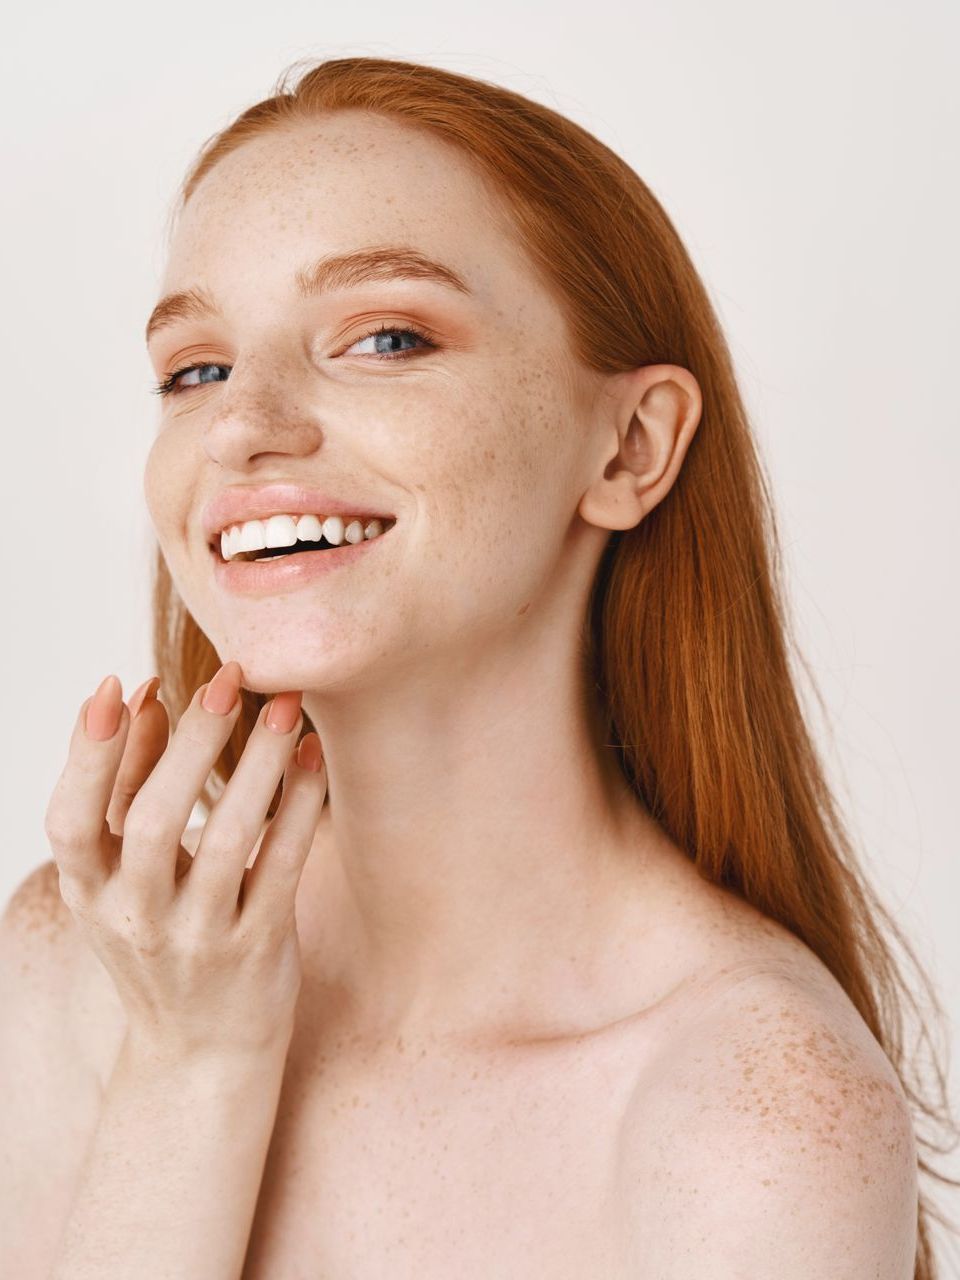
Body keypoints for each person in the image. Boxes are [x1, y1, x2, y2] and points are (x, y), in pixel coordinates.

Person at [2, 55, 955, 1280]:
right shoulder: (80, 958)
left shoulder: (754, 1118)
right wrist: (188, 1064)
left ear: (630, 446)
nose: (241, 424)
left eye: (386, 336)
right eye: (197, 368)